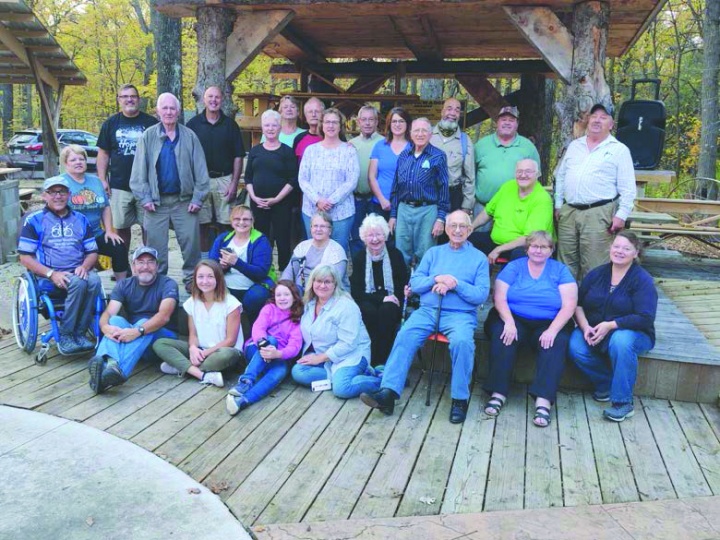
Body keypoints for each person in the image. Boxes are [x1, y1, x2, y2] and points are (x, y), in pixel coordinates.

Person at [360, 211, 489, 424]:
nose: (457, 230)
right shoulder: (433, 253)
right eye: (453, 226)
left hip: (460, 315)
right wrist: (436, 278)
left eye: (462, 226)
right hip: (428, 311)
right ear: (446, 229)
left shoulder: (479, 259)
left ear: (470, 230)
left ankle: (459, 398)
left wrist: (454, 283)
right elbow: (416, 285)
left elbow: (480, 294)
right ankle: (388, 393)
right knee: (405, 335)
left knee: (462, 342)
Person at [482, 231, 577, 428]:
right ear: (527, 249)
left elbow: (569, 305)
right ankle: (497, 393)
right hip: (513, 317)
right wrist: (508, 322)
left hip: (550, 320)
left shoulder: (560, 270)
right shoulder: (514, 267)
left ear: (551, 251)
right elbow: (499, 298)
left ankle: (543, 400)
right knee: (504, 336)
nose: (538, 250)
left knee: (556, 343)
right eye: (534, 246)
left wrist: (552, 330)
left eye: (544, 247)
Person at [569, 231, 657, 422]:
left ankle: (623, 403)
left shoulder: (642, 280)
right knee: (575, 344)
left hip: (634, 333)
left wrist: (610, 325)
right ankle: (606, 384)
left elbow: (645, 317)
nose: (619, 251)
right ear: (610, 248)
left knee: (621, 341)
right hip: (594, 328)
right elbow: (578, 304)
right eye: (616, 246)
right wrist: (585, 328)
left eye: (626, 248)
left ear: (636, 253)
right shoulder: (597, 274)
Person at [129, 92, 210, 289]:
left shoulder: (190, 136)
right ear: (157, 112)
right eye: (164, 108)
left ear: (179, 111)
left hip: (185, 202)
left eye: (172, 108)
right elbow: (138, 173)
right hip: (156, 204)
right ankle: (159, 286)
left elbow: (201, 172)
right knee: (156, 249)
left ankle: (193, 284)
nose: (168, 112)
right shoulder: (148, 136)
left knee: (191, 246)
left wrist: (198, 199)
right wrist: (145, 198)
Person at [18, 176, 102, 355]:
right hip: (48, 276)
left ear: (69, 195)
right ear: (44, 196)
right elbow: (25, 257)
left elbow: (92, 252)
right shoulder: (34, 220)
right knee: (79, 283)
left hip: (78, 270)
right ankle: (65, 334)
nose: (58, 196)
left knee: (94, 281)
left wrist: (85, 267)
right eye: (53, 192)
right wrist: (51, 274)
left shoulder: (81, 219)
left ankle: (79, 333)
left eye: (62, 191)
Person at [554, 103, 637, 280]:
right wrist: (558, 204)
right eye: (594, 116)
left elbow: (628, 189)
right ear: (588, 120)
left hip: (599, 213)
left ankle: (590, 305)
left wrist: (621, 215)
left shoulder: (619, 150)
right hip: (569, 211)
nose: (597, 120)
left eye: (603, 117)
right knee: (565, 262)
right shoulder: (575, 146)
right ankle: (567, 304)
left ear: (611, 124)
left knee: (595, 263)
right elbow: (560, 176)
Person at [87, 247, 179, 394]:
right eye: (140, 262)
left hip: (161, 340)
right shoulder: (124, 284)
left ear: (157, 266)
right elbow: (109, 312)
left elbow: (163, 317)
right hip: (134, 338)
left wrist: (138, 331)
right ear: (133, 266)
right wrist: (105, 327)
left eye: (150, 262)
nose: (145, 267)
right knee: (115, 320)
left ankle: (119, 370)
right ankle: (108, 366)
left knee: (143, 322)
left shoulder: (168, 284)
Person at [291, 265, 381, 399]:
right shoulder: (310, 303)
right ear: (312, 283)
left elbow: (348, 344)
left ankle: (381, 380)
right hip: (326, 357)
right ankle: (341, 377)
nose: (322, 286)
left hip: (351, 355)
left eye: (327, 282)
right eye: (318, 281)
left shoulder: (346, 306)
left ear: (335, 284)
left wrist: (319, 358)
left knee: (342, 389)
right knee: (298, 371)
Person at [153, 260, 242, 388]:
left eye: (210, 276)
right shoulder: (192, 302)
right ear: (195, 279)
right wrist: (193, 349)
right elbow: (193, 335)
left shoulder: (231, 304)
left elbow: (230, 341)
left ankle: (182, 367)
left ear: (218, 278)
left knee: (225, 355)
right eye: (200, 277)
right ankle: (202, 375)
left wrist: (204, 354)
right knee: (160, 343)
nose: (205, 281)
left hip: (222, 352)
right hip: (200, 350)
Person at [226, 280, 304, 414]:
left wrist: (278, 354)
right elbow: (258, 327)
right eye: (279, 295)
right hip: (256, 348)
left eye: (286, 294)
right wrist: (264, 344)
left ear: (294, 296)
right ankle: (245, 381)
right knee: (271, 339)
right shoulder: (269, 309)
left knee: (280, 371)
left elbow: (295, 346)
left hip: (279, 355)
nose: (282, 298)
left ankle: (244, 401)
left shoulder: (297, 318)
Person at [186, 86, 246, 258]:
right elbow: (186, 156)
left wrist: (234, 184)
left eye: (217, 97)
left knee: (226, 223)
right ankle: (205, 261)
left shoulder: (230, 125)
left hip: (224, 179)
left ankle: (225, 259)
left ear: (222, 100)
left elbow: (238, 156)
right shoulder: (193, 125)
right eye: (210, 97)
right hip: (200, 181)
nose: (213, 100)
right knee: (202, 223)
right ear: (204, 100)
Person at [97, 83, 158, 246]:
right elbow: (103, 154)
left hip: (147, 186)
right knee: (121, 228)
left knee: (149, 228)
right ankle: (124, 267)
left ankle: (149, 264)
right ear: (119, 100)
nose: (129, 100)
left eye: (133, 96)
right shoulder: (110, 124)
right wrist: (102, 180)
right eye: (125, 97)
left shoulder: (152, 123)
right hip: (119, 186)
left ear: (138, 99)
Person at [60, 144, 129, 281]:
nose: (78, 162)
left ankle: (122, 287)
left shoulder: (96, 182)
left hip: (96, 234)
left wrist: (109, 231)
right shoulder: (61, 183)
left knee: (118, 246)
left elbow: (105, 207)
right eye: (73, 160)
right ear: (66, 164)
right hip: (72, 237)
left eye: (81, 159)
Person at [389, 117, 450, 266]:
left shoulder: (438, 156)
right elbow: (396, 187)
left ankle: (422, 288)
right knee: (401, 253)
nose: (420, 134)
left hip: (427, 211)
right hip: (403, 210)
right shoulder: (404, 156)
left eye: (424, 130)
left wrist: (441, 219)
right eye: (416, 130)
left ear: (430, 134)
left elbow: (443, 188)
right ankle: (402, 287)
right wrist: (393, 214)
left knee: (426, 254)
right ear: (410, 133)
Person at [469, 158, 553, 264]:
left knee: (520, 254)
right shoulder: (508, 186)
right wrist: (469, 228)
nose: (523, 175)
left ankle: (509, 279)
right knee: (468, 241)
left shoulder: (542, 199)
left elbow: (530, 238)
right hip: (496, 241)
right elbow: (488, 212)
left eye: (528, 172)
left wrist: (499, 249)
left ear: (538, 174)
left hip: (523, 247)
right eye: (519, 171)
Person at [298, 108, 359, 253]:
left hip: (341, 212)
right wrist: (317, 200)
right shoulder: (311, 150)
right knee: (315, 250)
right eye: (327, 122)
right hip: (312, 210)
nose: (331, 126)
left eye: (335, 122)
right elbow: (303, 179)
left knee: (338, 251)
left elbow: (351, 180)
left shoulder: (349, 151)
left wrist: (330, 201)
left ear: (340, 126)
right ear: (322, 125)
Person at [350, 214, 408, 366]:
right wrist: (381, 298)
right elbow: (356, 293)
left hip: (392, 301)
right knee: (368, 311)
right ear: (364, 237)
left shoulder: (395, 255)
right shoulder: (359, 258)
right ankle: (371, 360)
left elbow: (404, 284)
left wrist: (406, 292)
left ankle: (383, 362)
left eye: (378, 234)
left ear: (385, 235)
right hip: (368, 301)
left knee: (387, 311)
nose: (375, 239)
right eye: (370, 235)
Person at [245, 109, 299, 270]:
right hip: (258, 203)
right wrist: (254, 197)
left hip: (281, 204)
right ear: (262, 127)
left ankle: (284, 274)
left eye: (274, 125)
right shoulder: (255, 151)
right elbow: (248, 178)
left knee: (282, 239)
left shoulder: (287, 152)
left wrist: (277, 199)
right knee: (261, 239)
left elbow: (292, 179)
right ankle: (263, 270)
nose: (270, 128)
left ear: (280, 127)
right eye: (267, 125)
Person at [474, 106, 540, 231]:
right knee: (479, 243)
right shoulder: (481, 145)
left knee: (507, 243)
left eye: (511, 120)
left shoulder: (528, 147)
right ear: (497, 122)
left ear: (517, 124)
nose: (507, 123)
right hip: (482, 206)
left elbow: (536, 178)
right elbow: (470, 174)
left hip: (514, 207)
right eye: (503, 119)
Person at [209, 205, 275, 325]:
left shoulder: (261, 240)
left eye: (245, 219)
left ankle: (253, 331)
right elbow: (210, 267)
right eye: (237, 219)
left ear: (252, 221)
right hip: (227, 285)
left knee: (255, 298)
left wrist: (236, 262)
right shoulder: (222, 239)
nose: (241, 222)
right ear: (231, 221)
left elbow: (260, 273)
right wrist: (222, 267)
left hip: (254, 285)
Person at [281, 212, 348, 294]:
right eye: (315, 226)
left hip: (326, 293)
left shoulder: (337, 252)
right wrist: (283, 288)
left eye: (322, 226)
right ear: (311, 229)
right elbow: (289, 272)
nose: (318, 229)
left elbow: (332, 283)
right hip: (300, 291)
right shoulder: (302, 247)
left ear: (330, 231)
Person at [349, 104, 384, 257]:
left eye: (371, 119)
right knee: (356, 237)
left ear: (377, 122)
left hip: (376, 199)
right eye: (364, 119)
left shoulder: (384, 143)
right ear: (358, 121)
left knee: (377, 235)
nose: (368, 123)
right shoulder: (351, 144)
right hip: (356, 198)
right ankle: (358, 269)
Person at [430, 98, 475, 213]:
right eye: (449, 109)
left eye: (457, 110)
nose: (452, 113)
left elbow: (469, 177)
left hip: (453, 198)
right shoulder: (427, 135)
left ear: (459, 115)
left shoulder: (465, 141)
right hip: (427, 195)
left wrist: (466, 206)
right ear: (442, 111)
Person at [368, 107, 412, 221]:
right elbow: (372, 176)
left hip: (405, 206)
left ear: (407, 124)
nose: (397, 124)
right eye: (394, 121)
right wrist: (382, 199)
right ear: (389, 124)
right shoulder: (380, 146)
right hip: (381, 204)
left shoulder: (413, 147)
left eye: (401, 121)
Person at [292, 97, 325, 162]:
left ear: (323, 114)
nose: (313, 115)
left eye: (317, 111)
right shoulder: (299, 138)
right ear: (305, 116)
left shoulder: (331, 137)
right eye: (310, 112)